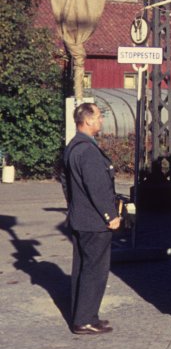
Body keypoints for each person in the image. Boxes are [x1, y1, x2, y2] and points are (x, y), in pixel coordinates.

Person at [63, 103, 120, 335]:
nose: (101, 121)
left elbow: (65, 184)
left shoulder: (73, 146)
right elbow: (97, 188)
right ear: (87, 121)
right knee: (94, 270)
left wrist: (74, 208)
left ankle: (85, 315)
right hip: (94, 221)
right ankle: (84, 320)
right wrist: (111, 215)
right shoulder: (87, 151)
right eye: (98, 117)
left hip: (80, 218)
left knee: (82, 268)